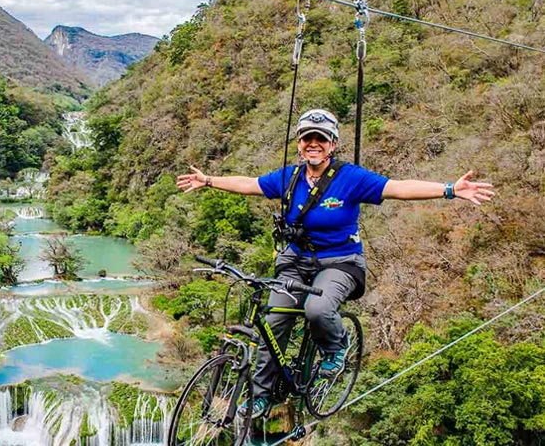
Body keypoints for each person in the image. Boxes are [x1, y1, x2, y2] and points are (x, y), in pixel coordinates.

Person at [175, 108, 495, 419]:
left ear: (332, 144)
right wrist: (209, 181)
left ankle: (336, 346)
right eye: (307, 139)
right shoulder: (289, 177)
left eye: (321, 139)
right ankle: (260, 397)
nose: (313, 144)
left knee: (317, 309)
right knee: (273, 323)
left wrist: (450, 190)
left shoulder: (350, 178)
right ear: (299, 143)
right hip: (295, 261)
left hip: (340, 262)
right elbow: (251, 184)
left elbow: (397, 188)